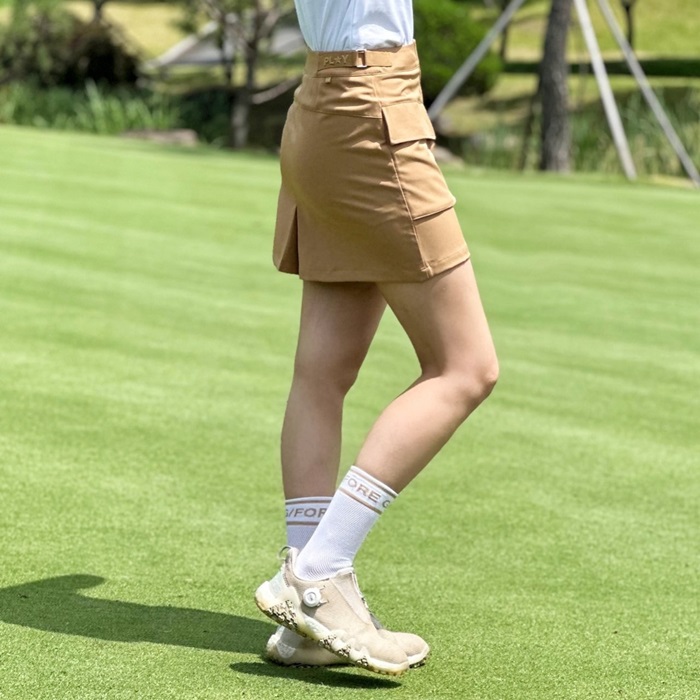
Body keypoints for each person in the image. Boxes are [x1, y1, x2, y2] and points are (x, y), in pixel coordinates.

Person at [255, 0, 499, 677]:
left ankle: (310, 606)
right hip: (370, 110)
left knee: (323, 371)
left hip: (331, 107)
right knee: (465, 368)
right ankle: (319, 575)